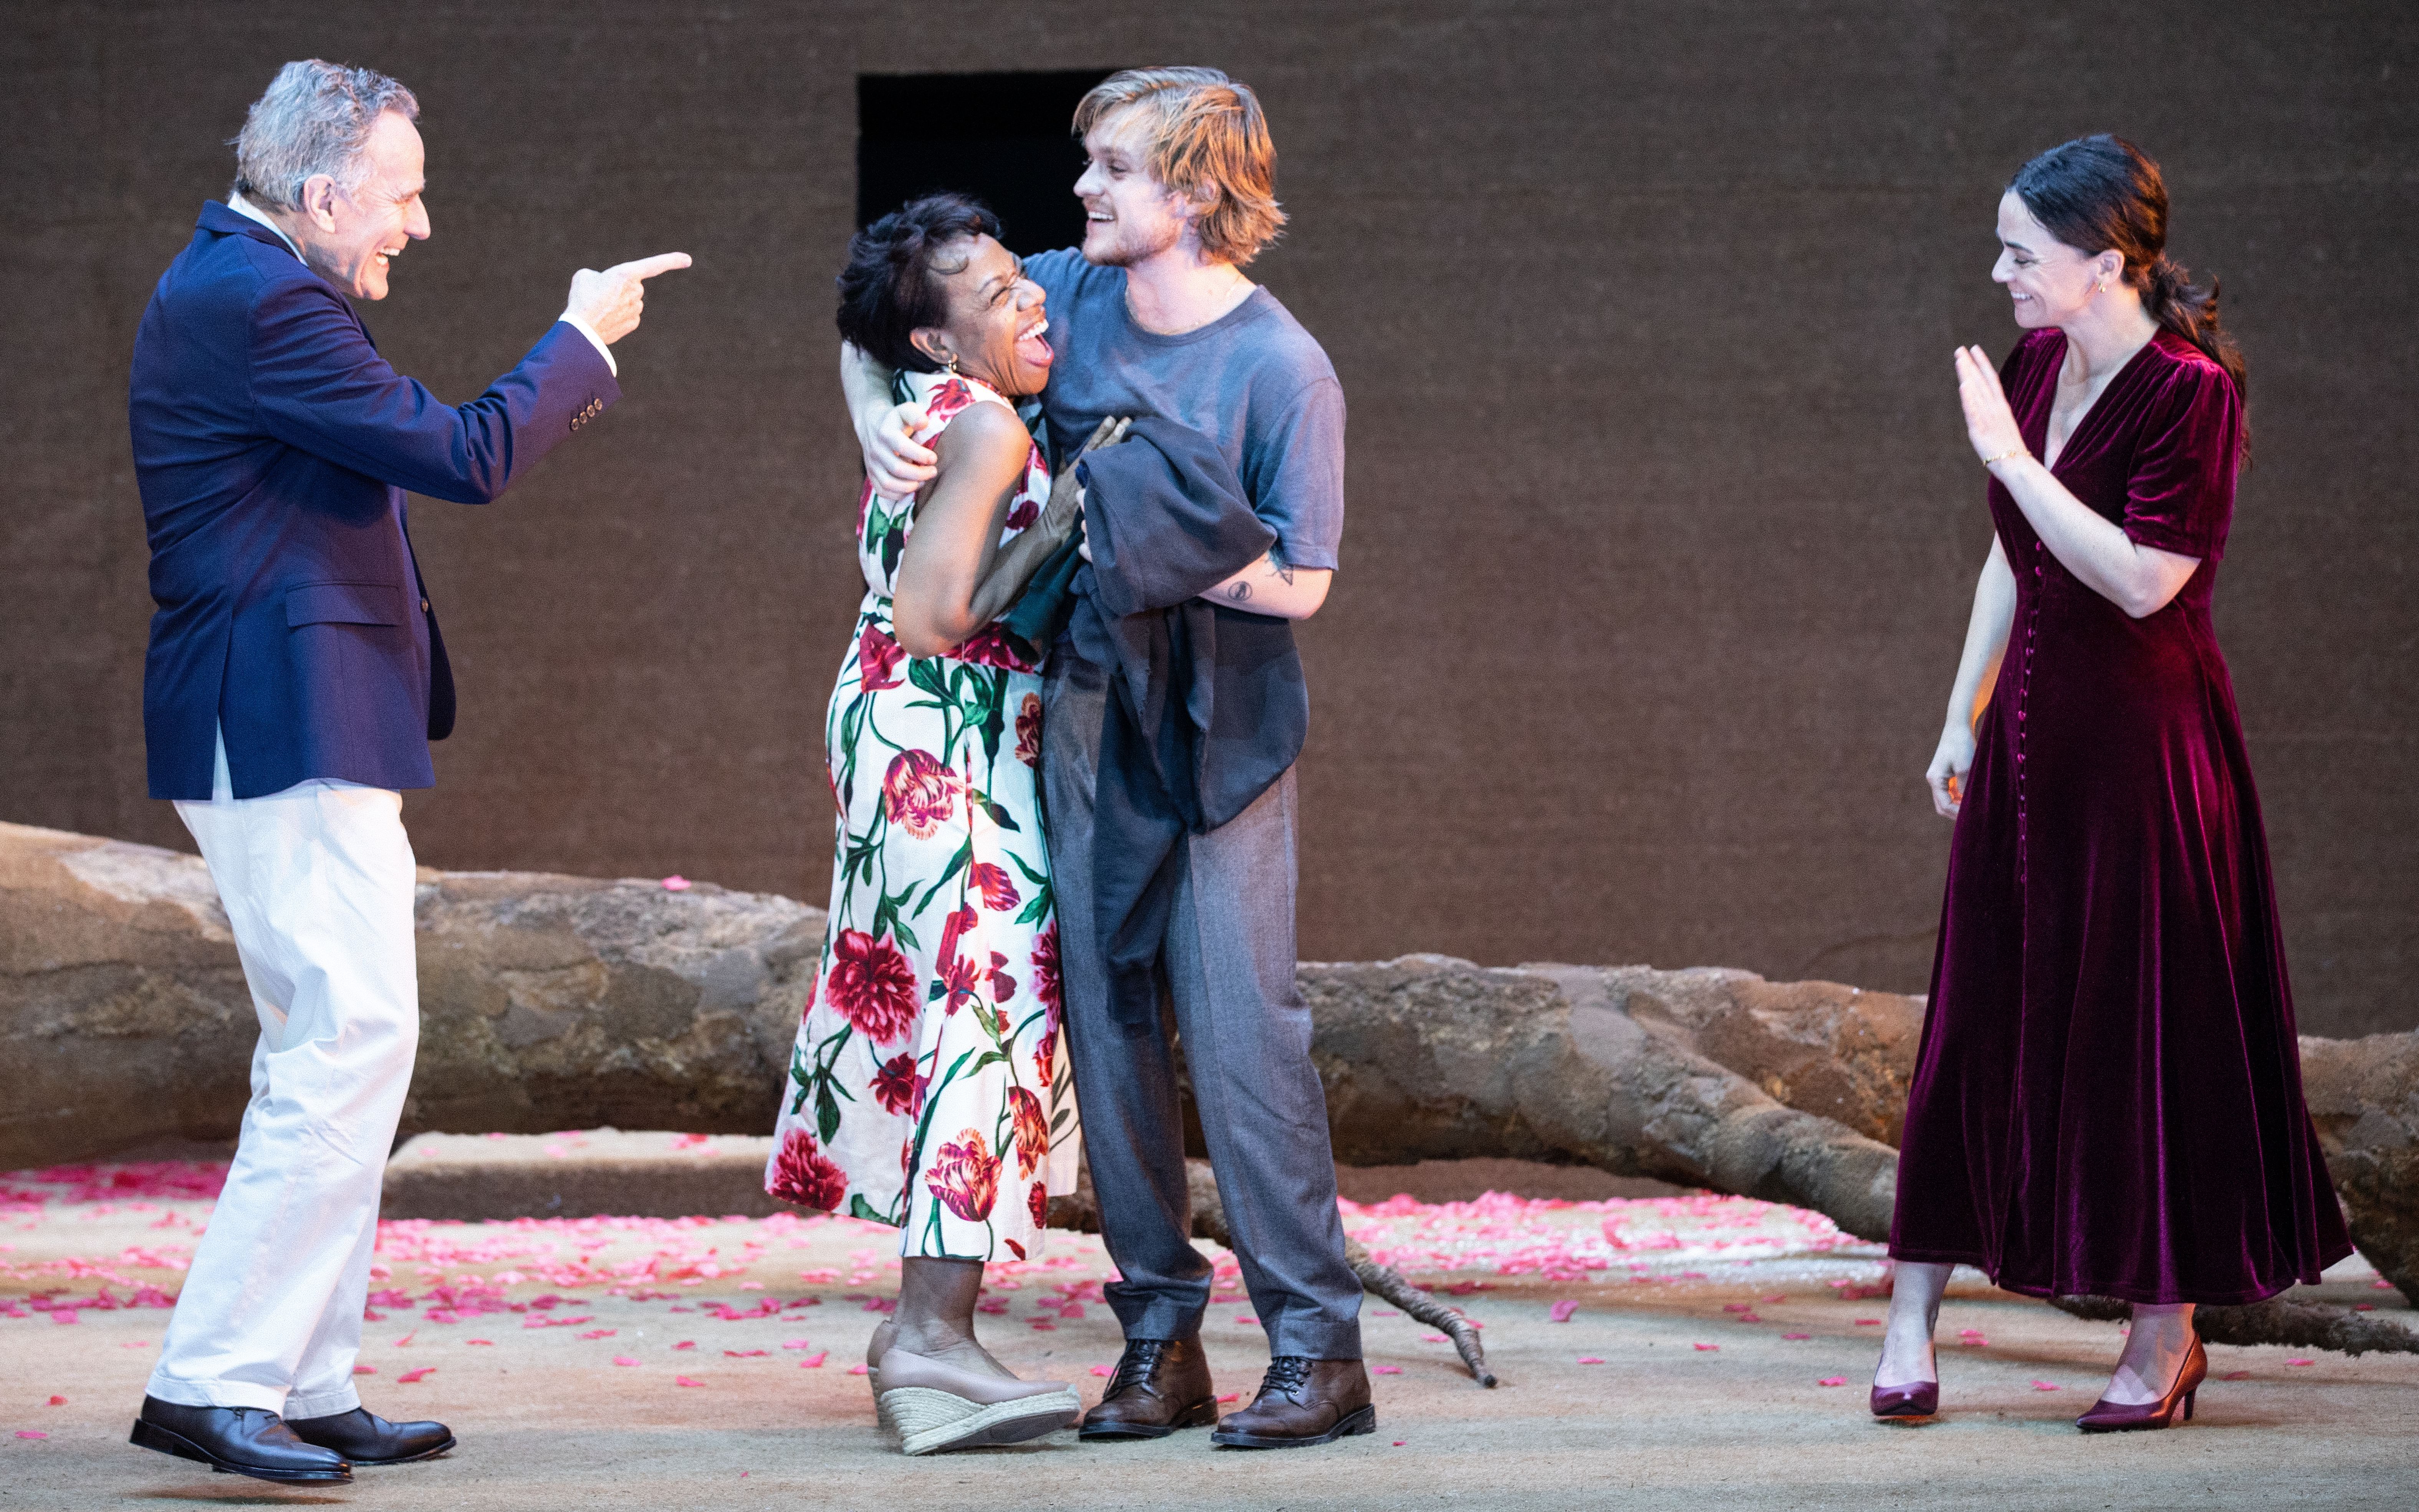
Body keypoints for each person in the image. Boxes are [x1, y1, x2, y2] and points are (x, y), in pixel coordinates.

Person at [126, 60, 685, 1484]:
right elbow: (464, 453)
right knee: (349, 1039)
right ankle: (217, 1379)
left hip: (296, 706)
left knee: (335, 1040)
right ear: (322, 195)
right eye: (404, 195)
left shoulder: (246, 284)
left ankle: (304, 1375)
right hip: (280, 708)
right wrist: (579, 338)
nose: (417, 226)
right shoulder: (262, 298)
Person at [849, 66, 1369, 1450]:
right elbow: (886, 326)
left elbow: (1305, 581)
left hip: (1219, 718)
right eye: (1088, 167)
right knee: (1113, 1022)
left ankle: (1319, 1350)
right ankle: (1159, 1338)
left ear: (1196, 192)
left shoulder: (1279, 367)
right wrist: (897, 429)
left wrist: (1150, 536)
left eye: (1114, 172)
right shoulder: (1064, 298)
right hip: (1086, 711)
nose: (1081, 192)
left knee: (1245, 1030)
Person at [1878, 134, 2350, 1432]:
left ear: (2102, 264)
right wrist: (1961, 714)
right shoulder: (2034, 365)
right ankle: (1909, 1314)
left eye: (2022, 257)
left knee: (2145, 1030)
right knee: (1972, 1016)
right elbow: (2010, 559)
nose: (2001, 276)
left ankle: (2165, 1331)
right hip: (2030, 746)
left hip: (2143, 755)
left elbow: (2146, 579)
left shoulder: (2189, 394)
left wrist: (2011, 463)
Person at [767, 193, 1121, 1456]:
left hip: (914, 721)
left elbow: (863, 346)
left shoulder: (942, 405)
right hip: (938, 723)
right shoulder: (984, 433)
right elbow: (934, 616)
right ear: (937, 341)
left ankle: (928, 1333)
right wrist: (1069, 506)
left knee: (968, 1005)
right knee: (983, 1002)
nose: (1033, 302)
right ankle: (927, 1334)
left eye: (1024, 278)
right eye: (997, 297)